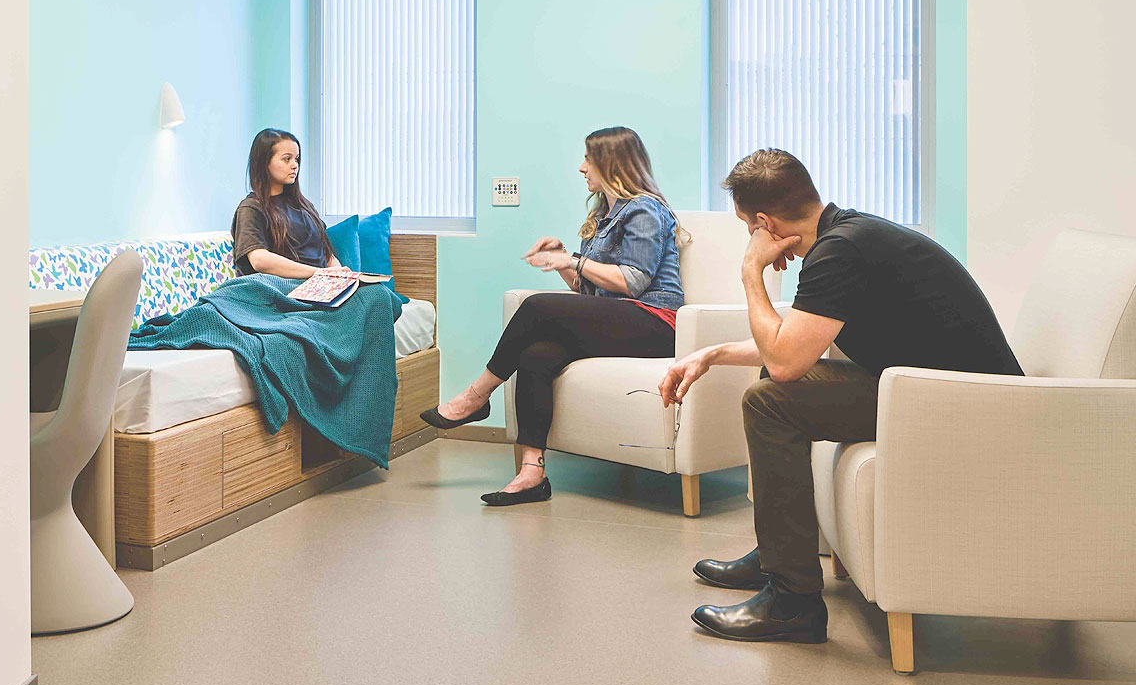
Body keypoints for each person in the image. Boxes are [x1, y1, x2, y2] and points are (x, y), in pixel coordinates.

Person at [660, 148, 1022, 644]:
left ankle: (793, 604)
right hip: (942, 393)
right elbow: (798, 341)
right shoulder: (847, 236)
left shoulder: (839, 252)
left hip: (962, 406)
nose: (753, 240)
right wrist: (710, 354)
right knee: (774, 378)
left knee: (769, 399)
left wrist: (751, 275)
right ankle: (777, 557)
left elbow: (788, 361)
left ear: (766, 222)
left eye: (749, 229)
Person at [420, 127, 686, 505]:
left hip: (657, 323)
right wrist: (565, 258)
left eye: (588, 160)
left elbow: (634, 282)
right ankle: (532, 474)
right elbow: (589, 293)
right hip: (621, 318)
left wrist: (574, 259)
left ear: (611, 164)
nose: (581, 168)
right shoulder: (603, 214)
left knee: (535, 306)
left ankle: (476, 397)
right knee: (536, 354)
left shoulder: (645, 208)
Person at [231, 128, 341, 277]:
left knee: (375, 291)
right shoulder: (251, 208)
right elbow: (259, 259)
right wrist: (319, 274)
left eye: (296, 158)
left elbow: (327, 255)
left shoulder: (305, 206)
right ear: (265, 163)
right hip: (286, 287)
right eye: (287, 159)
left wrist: (340, 277)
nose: (295, 165)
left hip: (319, 284)